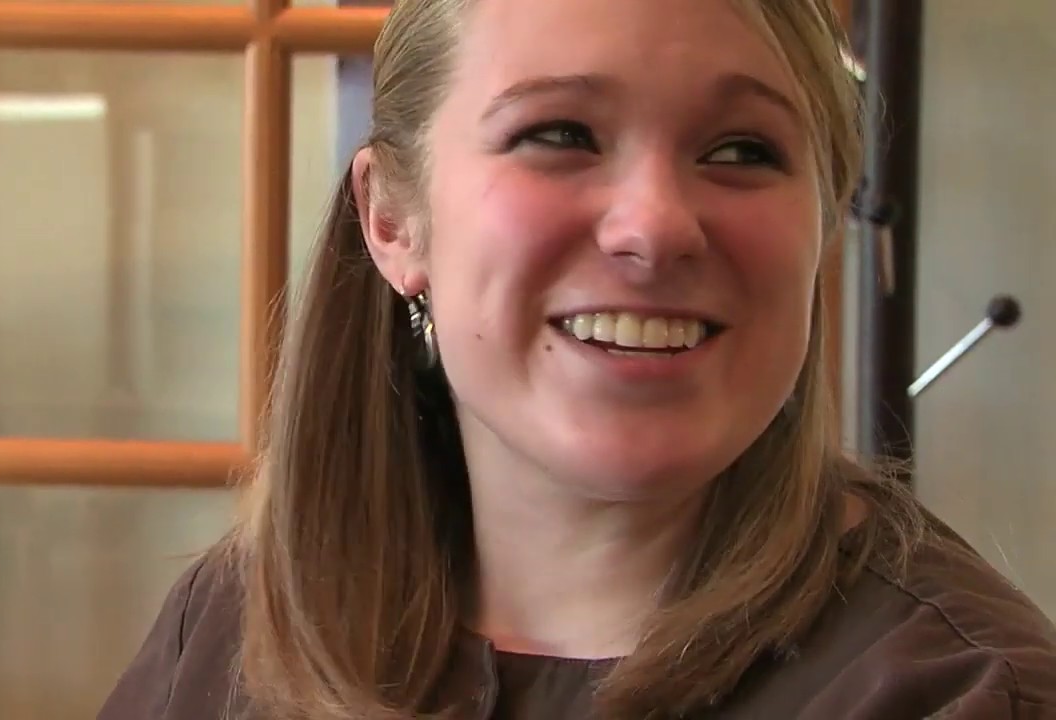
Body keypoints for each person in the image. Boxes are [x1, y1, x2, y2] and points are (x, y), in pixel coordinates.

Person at [98, 0, 1056, 717]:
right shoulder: (237, 627)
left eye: (740, 151)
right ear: (392, 218)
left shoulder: (961, 693)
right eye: (558, 134)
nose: (655, 228)